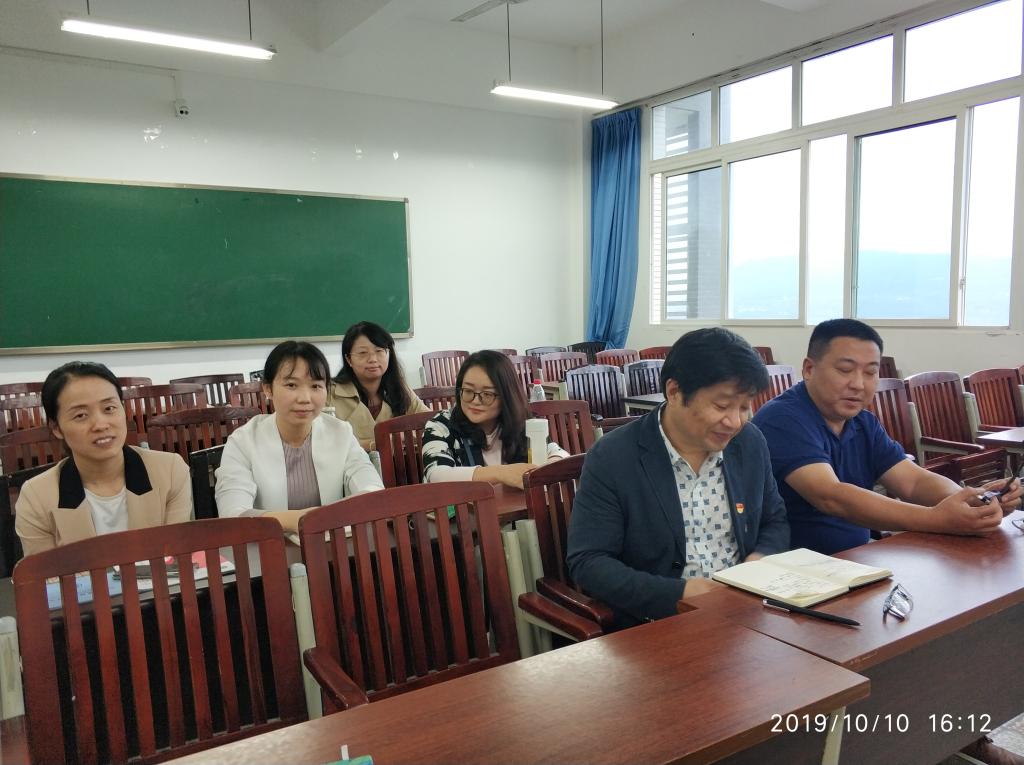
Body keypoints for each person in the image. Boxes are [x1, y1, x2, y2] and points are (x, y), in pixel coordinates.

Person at [566, 328, 790, 630]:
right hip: (656, 624)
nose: (735, 421)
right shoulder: (614, 456)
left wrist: (760, 560)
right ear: (674, 392)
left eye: (744, 407)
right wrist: (679, 594)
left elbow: (775, 521)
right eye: (722, 406)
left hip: (745, 613)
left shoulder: (749, 442)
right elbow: (589, 562)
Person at [752, 319, 1021, 555]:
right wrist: (936, 518)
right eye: (845, 370)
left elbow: (913, 482)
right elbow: (830, 496)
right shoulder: (782, 418)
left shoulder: (863, 422)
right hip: (796, 570)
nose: (858, 384)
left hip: (859, 558)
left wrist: (972, 502)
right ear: (809, 369)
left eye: (870, 372)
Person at [15, 362, 192, 556]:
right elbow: (45, 574)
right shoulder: (36, 497)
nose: (100, 424)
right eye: (81, 415)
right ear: (56, 428)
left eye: (109, 408)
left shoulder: (170, 471)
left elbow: (176, 560)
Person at [216, 340, 383, 533]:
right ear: (268, 389)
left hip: (331, 544)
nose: (305, 398)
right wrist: (302, 519)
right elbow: (232, 514)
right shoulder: (243, 441)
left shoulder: (340, 432)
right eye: (291, 385)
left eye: (316, 386)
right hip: (268, 545)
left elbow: (373, 491)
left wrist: (322, 518)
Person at [422, 350, 566, 488]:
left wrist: (548, 467)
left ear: (507, 396)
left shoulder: (523, 422)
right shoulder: (441, 425)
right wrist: (502, 473)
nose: (475, 401)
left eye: (487, 394)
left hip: (513, 505)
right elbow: (436, 474)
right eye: (468, 391)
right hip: (462, 505)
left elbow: (560, 454)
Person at [326, 321, 429, 451]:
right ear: (348, 359)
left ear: (389, 354)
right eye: (363, 353)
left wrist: (410, 435)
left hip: (398, 464)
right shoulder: (330, 393)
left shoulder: (399, 388)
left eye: (379, 350)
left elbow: (432, 421)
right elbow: (324, 442)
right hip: (350, 464)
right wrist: (375, 444)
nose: (373, 359)